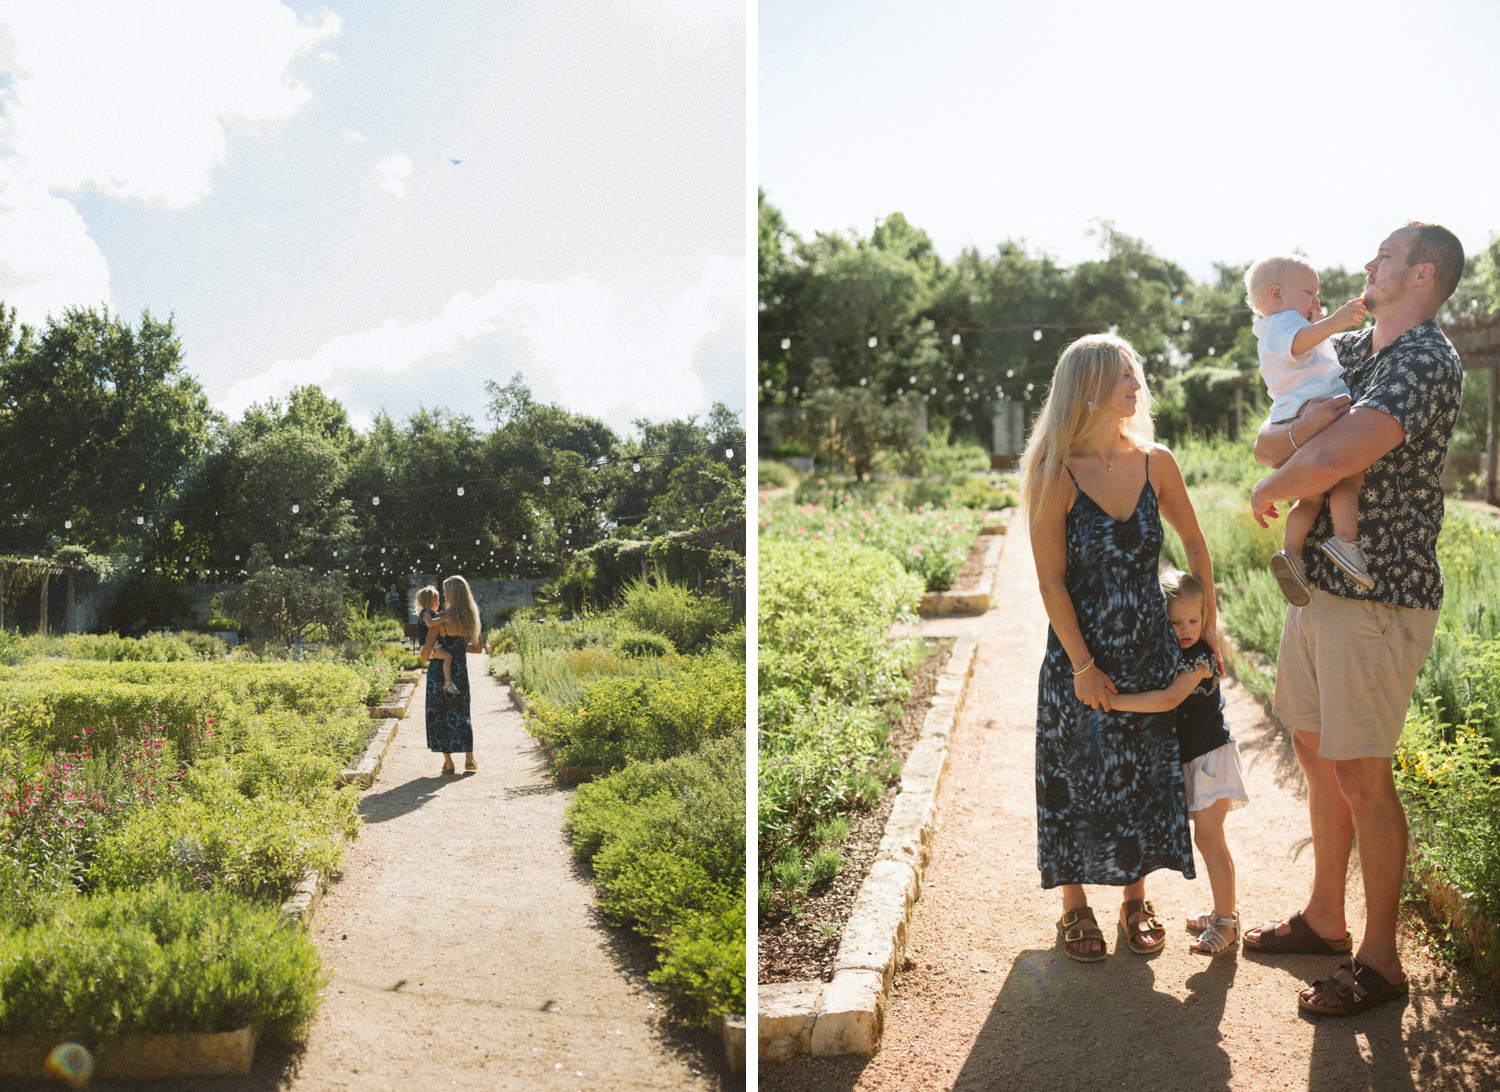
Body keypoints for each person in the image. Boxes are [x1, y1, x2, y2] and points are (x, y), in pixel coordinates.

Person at [1247, 222, 1466, 1015]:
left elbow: (1340, 455)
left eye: (1385, 255)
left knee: (1363, 778)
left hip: (1379, 595)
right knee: (1314, 750)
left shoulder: (1422, 359)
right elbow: (1270, 438)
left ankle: (1380, 963)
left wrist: (1278, 483)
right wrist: (1296, 448)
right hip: (1323, 588)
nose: (1368, 263)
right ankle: (1325, 919)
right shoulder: (1353, 355)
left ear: (1422, 276)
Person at [1021, 332, 1218, 962]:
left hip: (1148, 651)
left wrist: (1206, 625)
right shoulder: (1056, 470)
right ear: (1089, 388)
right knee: (1075, 774)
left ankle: (1136, 900)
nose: (1137, 386)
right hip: (1081, 656)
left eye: (1136, 374)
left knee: (1140, 773)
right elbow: (1050, 578)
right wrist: (1081, 666)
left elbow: (1195, 544)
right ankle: (1074, 908)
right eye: (1123, 377)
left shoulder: (1156, 461)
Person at [1111, 570, 1248, 955]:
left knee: (1208, 839)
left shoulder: (1201, 657)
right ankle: (1224, 911)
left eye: (1194, 620)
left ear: (1206, 618)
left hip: (1210, 756)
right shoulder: (1169, 655)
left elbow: (1169, 699)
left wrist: (1115, 701)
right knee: (1204, 838)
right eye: (1175, 622)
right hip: (1188, 758)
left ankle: (1226, 922)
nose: (1186, 629)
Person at [1242, 256, 1372, 601]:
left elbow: (1307, 349)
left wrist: (1317, 323)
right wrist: (1332, 322)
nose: (1316, 300)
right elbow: (1298, 342)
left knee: (1311, 497)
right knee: (1350, 476)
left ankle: (1291, 554)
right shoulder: (1281, 324)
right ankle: (1346, 542)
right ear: (1277, 295)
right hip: (1317, 409)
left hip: (1295, 414)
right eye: (1309, 292)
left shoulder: (1283, 325)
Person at [421, 575, 485, 775]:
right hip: (459, 672)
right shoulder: (471, 618)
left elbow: (426, 652)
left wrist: (426, 653)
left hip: (439, 672)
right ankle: (469, 759)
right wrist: (458, 649)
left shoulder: (442, 618)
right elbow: (477, 649)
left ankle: (448, 763)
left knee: (439, 715)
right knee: (462, 713)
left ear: (450, 594)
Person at [414, 584, 461, 695]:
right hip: (430, 647)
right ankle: (448, 683)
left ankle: (448, 683)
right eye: (437, 599)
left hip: (430, 646)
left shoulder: (428, 613)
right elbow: (430, 624)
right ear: (431, 601)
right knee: (448, 657)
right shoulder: (426, 613)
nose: (439, 602)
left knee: (447, 657)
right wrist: (444, 618)